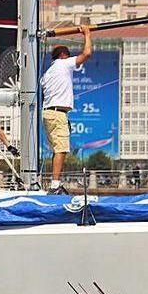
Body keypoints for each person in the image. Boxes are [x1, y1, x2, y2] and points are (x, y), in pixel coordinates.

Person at [40, 27, 91, 193]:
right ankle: (55, 185)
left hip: (48, 113)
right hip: (57, 113)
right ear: (63, 56)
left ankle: (55, 183)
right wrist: (87, 33)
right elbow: (87, 54)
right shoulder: (64, 63)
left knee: (57, 149)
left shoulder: (47, 74)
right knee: (61, 149)